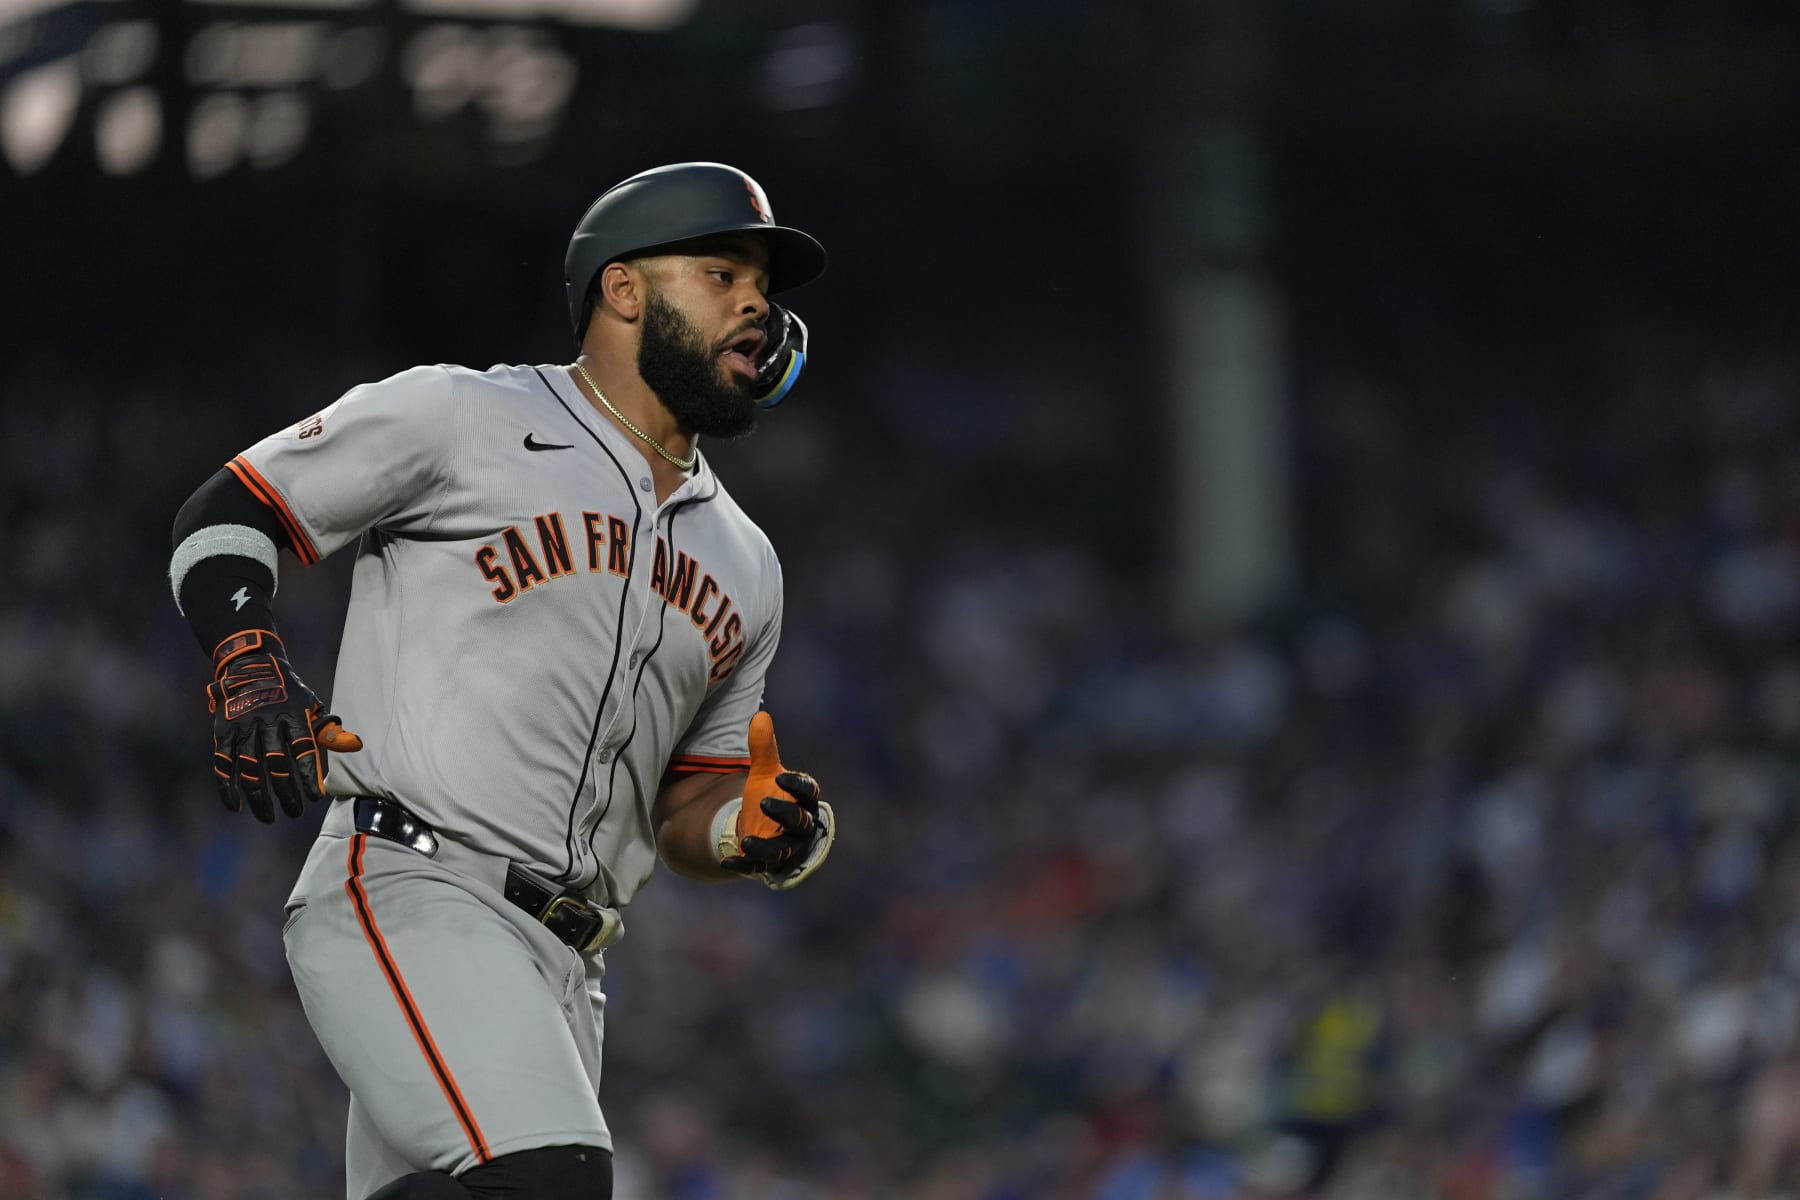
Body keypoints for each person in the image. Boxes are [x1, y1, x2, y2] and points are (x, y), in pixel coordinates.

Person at [165, 162, 837, 1200]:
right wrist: (248, 658)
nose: (757, 302)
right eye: (720, 271)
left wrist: (744, 831)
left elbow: (689, 803)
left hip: (571, 968)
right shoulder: (463, 416)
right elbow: (227, 511)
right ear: (624, 291)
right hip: (413, 887)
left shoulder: (748, 563)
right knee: (552, 1178)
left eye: (764, 288)